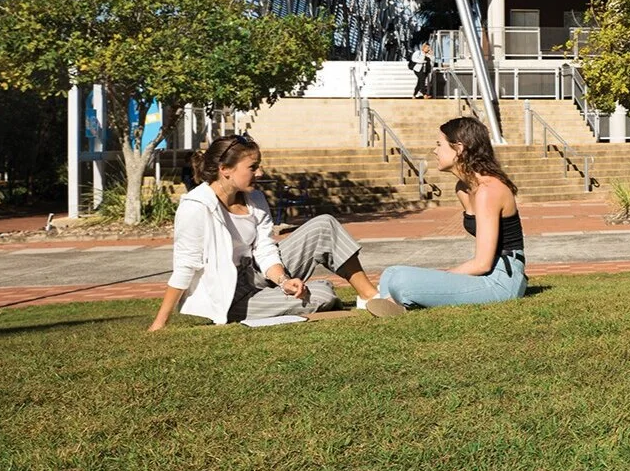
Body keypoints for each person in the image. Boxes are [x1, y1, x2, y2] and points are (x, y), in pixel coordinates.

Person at [149, 134, 401, 330]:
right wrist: (160, 322)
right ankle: (315, 290)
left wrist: (282, 280)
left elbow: (265, 248)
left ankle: (369, 296)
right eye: (253, 167)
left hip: (258, 273)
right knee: (323, 295)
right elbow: (185, 266)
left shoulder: (255, 198)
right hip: (231, 294)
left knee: (324, 224)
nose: (260, 173)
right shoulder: (196, 206)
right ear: (225, 169)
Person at [373, 118, 529, 311]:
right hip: (487, 274)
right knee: (390, 273)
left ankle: (401, 299)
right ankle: (401, 301)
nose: (435, 150)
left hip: (502, 281)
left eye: (439, 144)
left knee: (400, 280)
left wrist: (441, 279)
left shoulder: (488, 191)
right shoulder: (463, 189)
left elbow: (482, 263)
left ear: (459, 148)